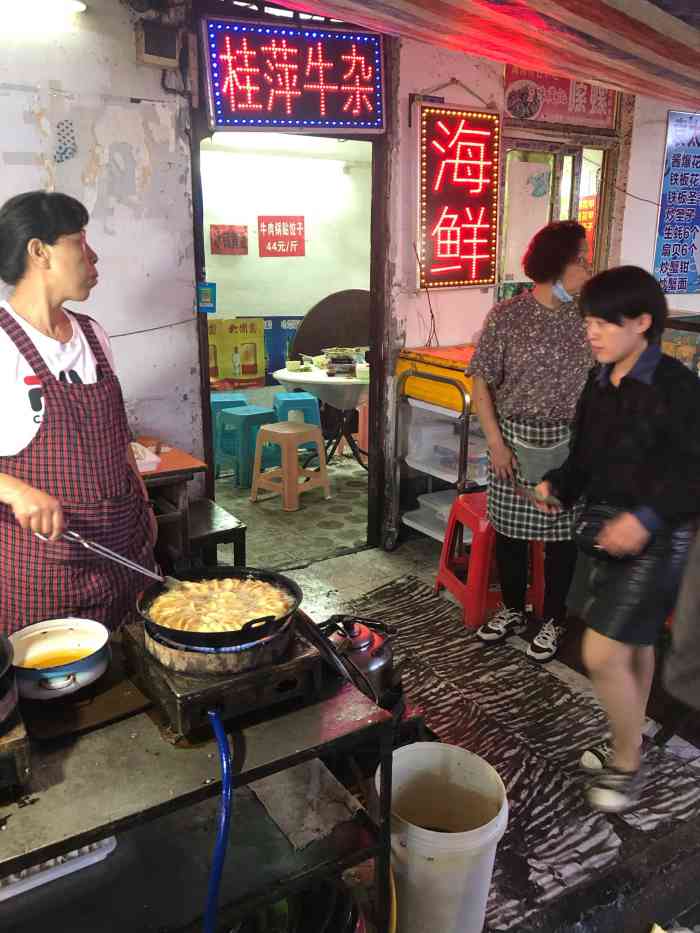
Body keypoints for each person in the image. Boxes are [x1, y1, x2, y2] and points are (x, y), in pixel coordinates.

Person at [536, 265, 700, 812]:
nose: (594, 332)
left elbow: (692, 474)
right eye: (590, 321)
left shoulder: (676, 388)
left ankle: (628, 765)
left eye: (607, 322)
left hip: (657, 537)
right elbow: (584, 456)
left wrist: (646, 519)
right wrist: (558, 483)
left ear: (643, 323)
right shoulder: (599, 381)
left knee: (601, 651)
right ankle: (632, 731)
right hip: (606, 530)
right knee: (634, 646)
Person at [0, 190, 157, 636]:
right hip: (45, 572)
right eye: (79, 241)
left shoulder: (93, 336)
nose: (93, 255)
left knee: (135, 673)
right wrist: (15, 491)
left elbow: (116, 439)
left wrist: (144, 509)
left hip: (125, 556)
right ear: (39, 251)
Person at [467, 221, 592, 662]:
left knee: (560, 539)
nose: (587, 266)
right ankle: (513, 610)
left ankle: (554, 618)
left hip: (568, 444)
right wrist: (495, 444)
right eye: (581, 258)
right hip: (512, 443)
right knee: (510, 534)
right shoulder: (506, 317)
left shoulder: (587, 319)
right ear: (558, 263)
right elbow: (480, 383)